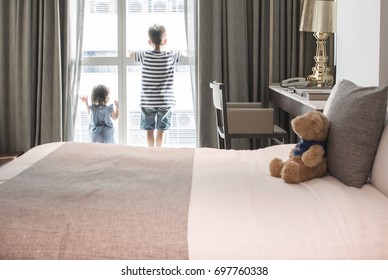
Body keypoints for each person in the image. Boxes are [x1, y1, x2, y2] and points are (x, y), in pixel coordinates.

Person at [133, 24, 182, 147]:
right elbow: (183, 53)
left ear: (149, 42)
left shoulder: (144, 55)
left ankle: (151, 152)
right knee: (161, 130)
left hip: (147, 101)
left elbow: (131, 54)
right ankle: (159, 152)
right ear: (165, 41)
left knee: (149, 129)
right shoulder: (170, 55)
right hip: (165, 101)